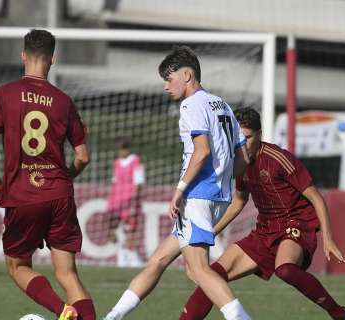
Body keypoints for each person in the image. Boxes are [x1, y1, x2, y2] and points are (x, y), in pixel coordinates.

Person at [104, 46, 251, 320]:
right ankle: (113, 316)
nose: (165, 86)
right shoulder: (223, 104)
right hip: (218, 195)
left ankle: (241, 318)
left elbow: (202, 150)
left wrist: (180, 190)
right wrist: (223, 182)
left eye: (168, 78)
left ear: (187, 74)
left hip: (197, 195)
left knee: (198, 270)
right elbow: (242, 157)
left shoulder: (191, 104)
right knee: (158, 260)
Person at [179, 107, 345, 320]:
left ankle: (338, 313)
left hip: (296, 224)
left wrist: (328, 238)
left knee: (285, 269)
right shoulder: (238, 163)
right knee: (211, 276)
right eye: (237, 138)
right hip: (265, 230)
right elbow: (239, 201)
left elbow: (316, 197)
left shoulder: (278, 158)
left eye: (248, 137)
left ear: (259, 134)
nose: (242, 144)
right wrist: (210, 232)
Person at [0, 29, 95, 320]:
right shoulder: (63, 101)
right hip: (59, 194)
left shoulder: (4, 94)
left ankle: (61, 311)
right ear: (52, 59)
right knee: (68, 274)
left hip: (23, 194)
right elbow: (83, 156)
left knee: (17, 266)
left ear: (23, 55)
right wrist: (65, 177)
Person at [106, 137, 145, 267]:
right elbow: (114, 181)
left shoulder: (135, 161)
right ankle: (121, 252)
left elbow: (138, 181)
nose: (121, 152)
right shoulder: (116, 163)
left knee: (131, 229)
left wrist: (136, 199)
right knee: (111, 229)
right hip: (116, 199)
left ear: (127, 149)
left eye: (123, 149)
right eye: (119, 150)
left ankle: (131, 255)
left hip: (130, 199)